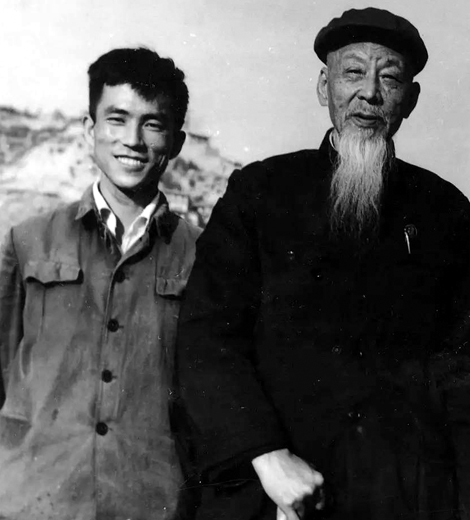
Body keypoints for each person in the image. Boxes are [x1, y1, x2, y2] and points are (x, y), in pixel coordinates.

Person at [175, 8, 470, 520]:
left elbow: (462, 373)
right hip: (274, 492)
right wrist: (266, 456)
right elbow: (208, 338)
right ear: (323, 86)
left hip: (403, 498)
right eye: (353, 72)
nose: (369, 93)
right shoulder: (261, 192)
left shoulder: (445, 211)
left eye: (390, 78)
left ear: (411, 99)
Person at [0, 47, 200, 519]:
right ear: (90, 130)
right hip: (35, 502)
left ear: (176, 141)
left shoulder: (202, 255)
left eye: (152, 124)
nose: (132, 140)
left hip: (151, 505)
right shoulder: (27, 240)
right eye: (117, 119)